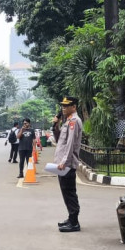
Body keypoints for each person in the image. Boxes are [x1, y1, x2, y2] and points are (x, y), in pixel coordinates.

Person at [52, 98, 83, 233]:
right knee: (66, 192)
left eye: (66, 106)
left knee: (69, 193)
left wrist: (64, 162)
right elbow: (60, 141)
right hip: (63, 164)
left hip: (67, 165)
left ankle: (74, 222)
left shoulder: (74, 121)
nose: (63, 108)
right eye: (62, 106)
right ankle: (71, 218)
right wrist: (55, 126)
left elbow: (70, 144)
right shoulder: (68, 121)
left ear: (74, 107)